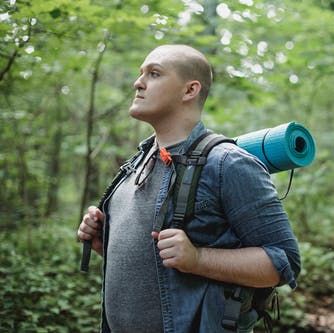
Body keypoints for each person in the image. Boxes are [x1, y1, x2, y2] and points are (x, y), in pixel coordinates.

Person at [77, 44, 301, 333]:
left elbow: (284, 262)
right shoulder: (136, 163)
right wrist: (103, 243)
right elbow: (155, 265)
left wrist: (198, 259)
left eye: (154, 74)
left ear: (189, 90)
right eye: (140, 73)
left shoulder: (227, 164)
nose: (138, 82)